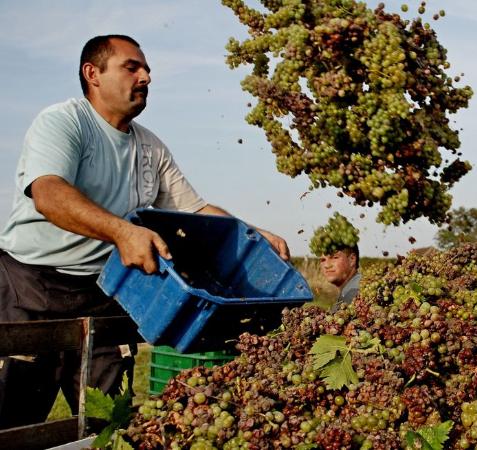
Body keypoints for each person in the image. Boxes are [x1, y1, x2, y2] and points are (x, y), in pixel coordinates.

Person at [0, 35, 290, 428]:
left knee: (107, 423)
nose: (146, 76)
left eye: (147, 68)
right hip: (30, 288)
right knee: (16, 421)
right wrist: (122, 232)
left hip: (103, 293)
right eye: (131, 67)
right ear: (93, 74)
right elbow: (48, 194)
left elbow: (197, 209)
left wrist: (253, 233)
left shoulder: (151, 149)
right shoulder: (65, 122)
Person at [320, 246, 361, 313]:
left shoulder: (354, 293)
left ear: (352, 259)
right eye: (323, 260)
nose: (327, 265)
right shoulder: (347, 290)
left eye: (334, 258)